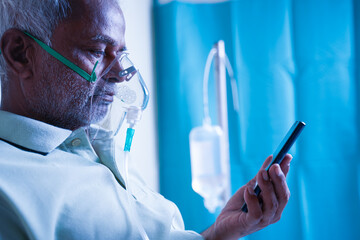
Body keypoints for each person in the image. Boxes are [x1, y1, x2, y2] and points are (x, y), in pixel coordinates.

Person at [0, 0, 292, 239]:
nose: (121, 73)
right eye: (97, 52)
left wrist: (220, 232)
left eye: (122, 54)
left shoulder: (103, 150)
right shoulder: (9, 187)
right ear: (20, 54)